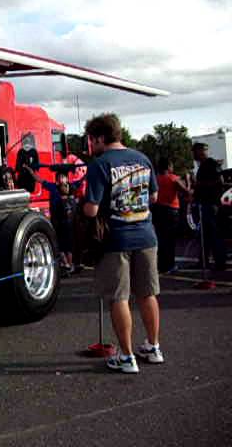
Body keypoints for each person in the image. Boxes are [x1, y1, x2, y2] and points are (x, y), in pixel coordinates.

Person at [83, 113, 163, 374]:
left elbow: (92, 210)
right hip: (146, 235)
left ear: (99, 138)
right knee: (147, 293)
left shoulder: (100, 164)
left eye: (91, 140)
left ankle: (127, 357)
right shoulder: (142, 158)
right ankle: (153, 346)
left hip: (116, 239)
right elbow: (153, 196)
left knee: (119, 296)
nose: (90, 146)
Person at [25, 167, 80, 273]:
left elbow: (81, 181)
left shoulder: (71, 187)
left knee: (69, 243)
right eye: (59, 177)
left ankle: (69, 264)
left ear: (67, 179)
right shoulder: (53, 187)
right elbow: (40, 180)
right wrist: (31, 171)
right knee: (58, 241)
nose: (61, 179)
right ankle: (65, 263)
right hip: (56, 219)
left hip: (68, 221)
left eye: (63, 177)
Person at [192, 143, 227, 270]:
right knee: (204, 236)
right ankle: (203, 261)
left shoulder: (211, 164)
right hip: (205, 204)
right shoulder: (202, 166)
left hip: (212, 204)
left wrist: (202, 184)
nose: (194, 155)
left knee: (215, 235)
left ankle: (220, 262)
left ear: (202, 151)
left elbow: (220, 182)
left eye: (195, 152)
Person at [153, 158, 190, 273]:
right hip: (170, 210)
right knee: (170, 239)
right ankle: (169, 265)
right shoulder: (173, 178)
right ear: (169, 167)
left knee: (160, 238)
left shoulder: (155, 179)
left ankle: (160, 264)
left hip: (158, 209)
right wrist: (188, 180)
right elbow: (186, 191)